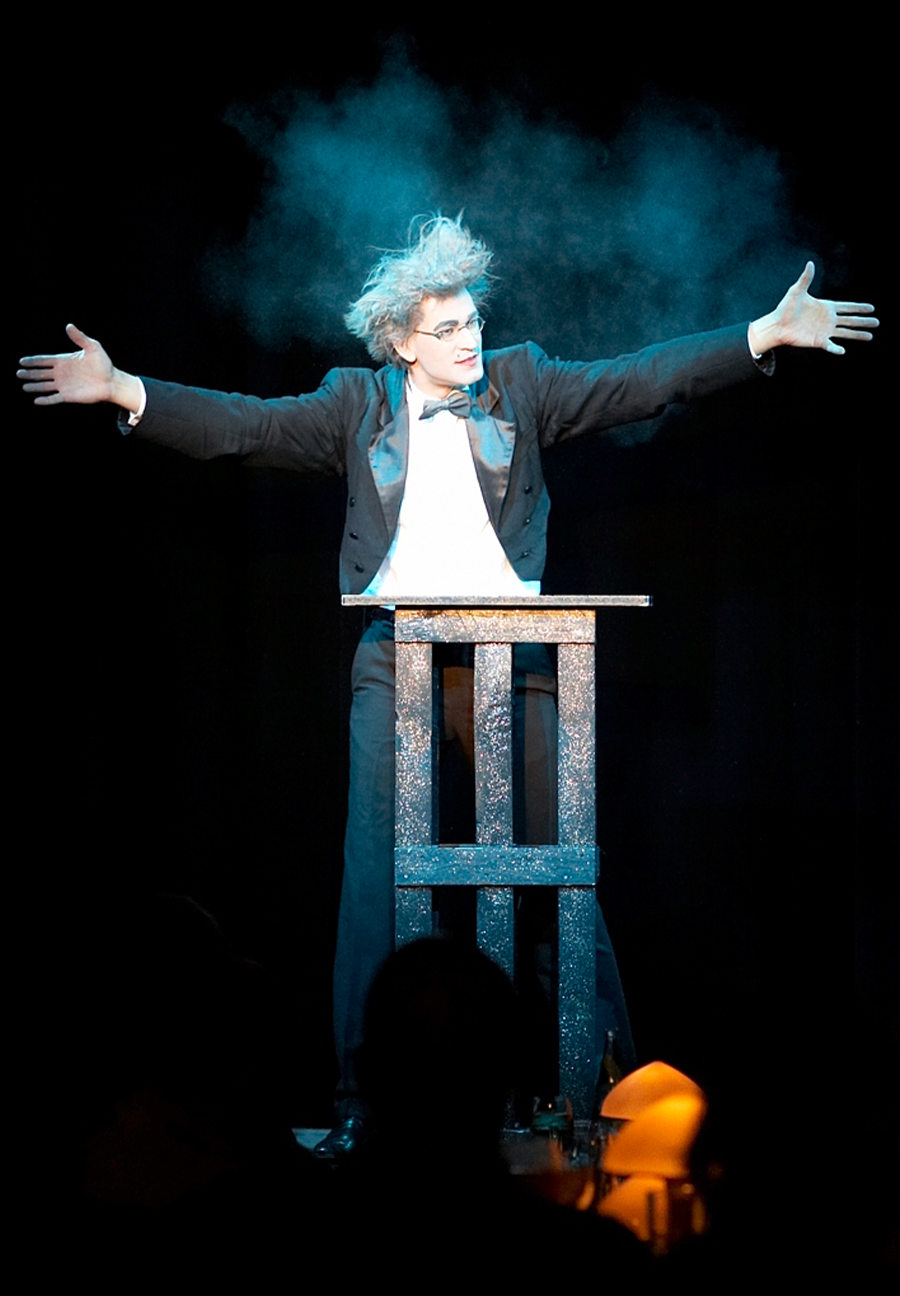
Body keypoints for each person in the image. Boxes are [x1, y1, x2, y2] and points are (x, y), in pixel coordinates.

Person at [18, 216, 877, 1159]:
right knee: (376, 877)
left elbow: (638, 380)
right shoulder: (356, 404)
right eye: (449, 329)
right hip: (399, 650)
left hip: (520, 652)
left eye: (475, 321)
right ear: (401, 343)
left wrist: (759, 335)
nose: (471, 340)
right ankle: (361, 1103)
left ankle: (605, 1093)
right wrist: (126, 390)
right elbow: (246, 426)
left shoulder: (523, 383)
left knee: (557, 867)